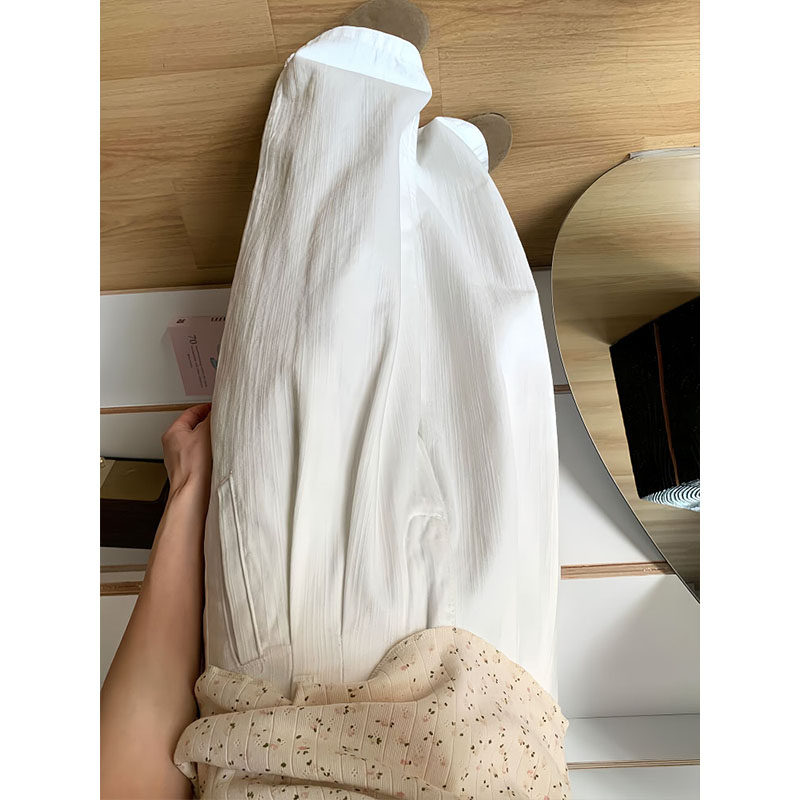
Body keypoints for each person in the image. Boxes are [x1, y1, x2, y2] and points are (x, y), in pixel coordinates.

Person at [100, 2, 569, 798]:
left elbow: (128, 766)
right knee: (494, 392)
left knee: (316, 353)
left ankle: (353, 96)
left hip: (297, 701)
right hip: (497, 718)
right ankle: (447, 183)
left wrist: (187, 499)